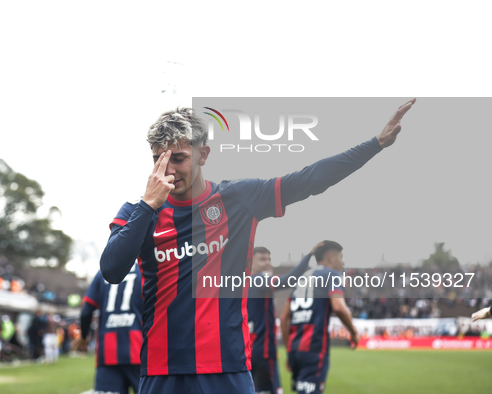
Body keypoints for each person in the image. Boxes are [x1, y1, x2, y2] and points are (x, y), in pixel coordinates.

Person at [100, 100, 415, 393]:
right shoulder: (137, 213)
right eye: (158, 159)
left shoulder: (237, 199)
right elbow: (112, 270)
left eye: (178, 158)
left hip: (226, 368)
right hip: (160, 372)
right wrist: (147, 206)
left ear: (203, 155)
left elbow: (310, 179)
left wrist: (375, 145)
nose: (167, 170)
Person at [280, 241, 359, 394]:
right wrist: (354, 332)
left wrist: (289, 351)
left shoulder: (302, 278)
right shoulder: (332, 274)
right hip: (314, 350)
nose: (343, 262)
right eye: (341, 257)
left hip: (295, 350)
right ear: (330, 257)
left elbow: (284, 318)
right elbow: (338, 306)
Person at [248, 243, 323, 394]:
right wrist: (309, 255)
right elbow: (289, 280)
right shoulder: (261, 278)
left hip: (249, 349)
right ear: (251, 262)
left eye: (269, 259)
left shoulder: (243, 282)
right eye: (263, 259)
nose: (268, 263)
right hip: (263, 350)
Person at [75, 262, 143, 394]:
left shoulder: (102, 274)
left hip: (108, 352)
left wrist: (84, 336)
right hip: (139, 351)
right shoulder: (144, 269)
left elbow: (86, 311)